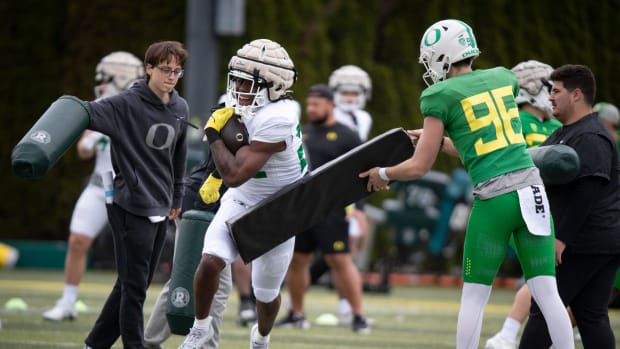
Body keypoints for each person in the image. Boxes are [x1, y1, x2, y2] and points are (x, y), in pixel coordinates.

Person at [359, 19, 574, 349]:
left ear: (442, 56)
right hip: (532, 191)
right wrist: (437, 139)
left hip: (496, 198)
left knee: (474, 296)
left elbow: (418, 167)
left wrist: (383, 174)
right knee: (547, 292)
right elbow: (478, 146)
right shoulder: (504, 77)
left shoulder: (439, 94)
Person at [178, 38, 304, 349]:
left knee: (265, 294)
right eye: (235, 80)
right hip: (242, 198)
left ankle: (261, 337)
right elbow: (234, 175)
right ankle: (200, 328)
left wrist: (212, 135)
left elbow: (233, 174)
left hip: (278, 208)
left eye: (246, 83)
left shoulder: (280, 117)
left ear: (272, 86)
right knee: (210, 262)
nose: (237, 89)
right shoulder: (241, 105)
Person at [82, 41, 189, 349]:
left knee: (133, 282)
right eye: (165, 69)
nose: (171, 76)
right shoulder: (124, 103)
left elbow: (179, 156)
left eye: (177, 71)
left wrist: (177, 198)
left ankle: (96, 343)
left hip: (161, 204)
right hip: (129, 204)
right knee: (135, 288)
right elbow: (84, 112)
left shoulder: (180, 107)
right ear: (149, 68)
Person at [519, 64, 620, 349]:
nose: (550, 97)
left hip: (585, 243)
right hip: (597, 241)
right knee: (591, 316)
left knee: (544, 311)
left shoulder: (591, 136)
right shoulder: (568, 132)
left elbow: (588, 191)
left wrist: (561, 238)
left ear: (576, 95)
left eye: (556, 91)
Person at [43, 51, 145, 322]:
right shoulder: (99, 105)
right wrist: (91, 140)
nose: (99, 83)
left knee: (134, 252)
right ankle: (67, 302)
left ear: (121, 78)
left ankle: (132, 309)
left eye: (104, 78)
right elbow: (83, 152)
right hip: (100, 186)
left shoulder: (139, 107)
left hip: (131, 189)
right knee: (77, 241)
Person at [275, 84, 370, 333]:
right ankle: (296, 314)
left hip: (332, 210)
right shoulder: (301, 133)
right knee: (297, 260)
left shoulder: (347, 135)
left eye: (317, 104)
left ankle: (359, 316)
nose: (311, 109)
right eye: (309, 104)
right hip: (301, 210)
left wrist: (359, 209)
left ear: (331, 105)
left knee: (339, 260)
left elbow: (361, 173)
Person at [484, 59, 562, 349]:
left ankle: (549, 334)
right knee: (544, 274)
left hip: (557, 207)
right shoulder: (514, 121)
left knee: (558, 278)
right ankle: (507, 333)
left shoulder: (555, 123)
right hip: (526, 205)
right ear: (530, 88)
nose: (553, 93)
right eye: (548, 87)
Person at [144, 155, 233, 349]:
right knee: (205, 282)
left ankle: (150, 340)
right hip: (203, 204)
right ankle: (203, 345)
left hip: (207, 203)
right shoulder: (240, 126)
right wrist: (203, 209)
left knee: (187, 277)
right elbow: (220, 163)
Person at [306, 66, 372, 325]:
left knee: (345, 253)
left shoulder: (362, 118)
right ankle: (345, 307)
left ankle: (347, 306)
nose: (349, 97)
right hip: (331, 196)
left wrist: (359, 206)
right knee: (338, 255)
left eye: (354, 92)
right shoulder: (329, 120)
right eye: (344, 92)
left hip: (347, 195)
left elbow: (361, 163)